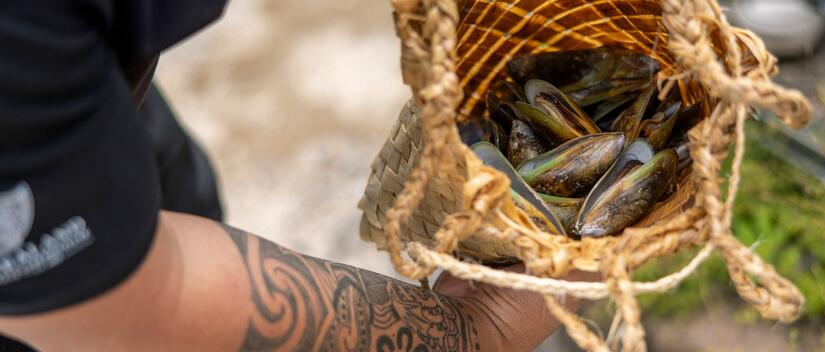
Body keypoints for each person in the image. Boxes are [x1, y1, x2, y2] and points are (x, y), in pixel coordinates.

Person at [0, 1, 590, 350]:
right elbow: (138, 307)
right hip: (52, 283)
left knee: (180, 185)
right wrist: (476, 333)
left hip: (90, 88)